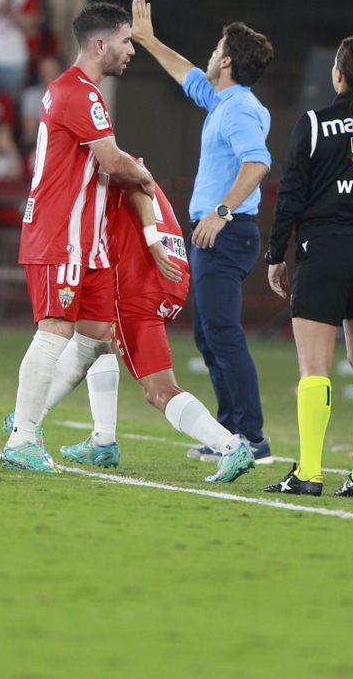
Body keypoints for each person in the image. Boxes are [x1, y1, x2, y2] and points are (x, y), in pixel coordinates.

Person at [3, 2, 156, 473]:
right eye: (127, 41)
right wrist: (143, 178)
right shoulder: (79, 93)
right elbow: (111, 162)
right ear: (100, 44)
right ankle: (22, 437)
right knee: (54, 330)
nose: (131, 50)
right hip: (60, 232)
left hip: (84, 238)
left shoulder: (73, 91)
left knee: (96, 337)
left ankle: (58, 430)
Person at [31, 172, 258, 484]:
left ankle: (230, 446)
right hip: (170, 274)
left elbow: (134, 187)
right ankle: (102, 441)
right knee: (102, 339)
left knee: (158, 389)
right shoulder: (124, 163)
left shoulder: (109, 165)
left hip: (143, 278)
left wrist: (150, 241)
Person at [262, 35, 353, 497]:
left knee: (315, 367)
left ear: (338, 74)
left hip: (323, 250)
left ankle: (308, 473)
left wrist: (275, 254)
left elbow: (291, 194)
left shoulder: (313, 123)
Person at [129, 0, 274, 461]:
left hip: (226, 232)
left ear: (227, 59)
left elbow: (258, 163)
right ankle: (231, 432)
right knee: (210, 335)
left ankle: (250, 437)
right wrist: (149, 41)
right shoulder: (225, 101)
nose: (210, 55)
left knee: (223, 333)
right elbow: (189, 74)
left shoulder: (238, 110)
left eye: (216, 48)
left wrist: (221, 212)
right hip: (221, 233)